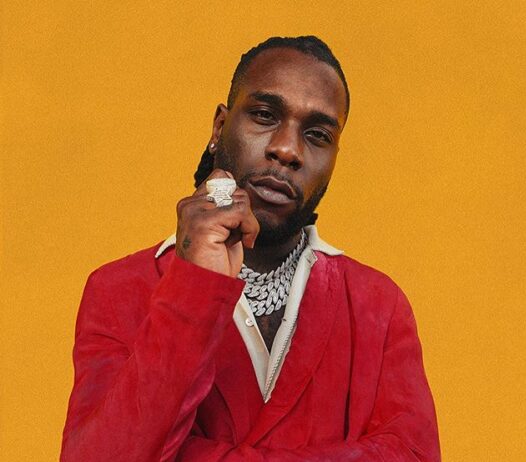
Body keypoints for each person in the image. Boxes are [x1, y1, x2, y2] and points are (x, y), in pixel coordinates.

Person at [60, 36, 440, 461]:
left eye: (317, 135)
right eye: (264, 115)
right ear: (219, 128)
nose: (287, 150)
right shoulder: (118, 290)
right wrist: (194, 287)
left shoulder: (378, 305)